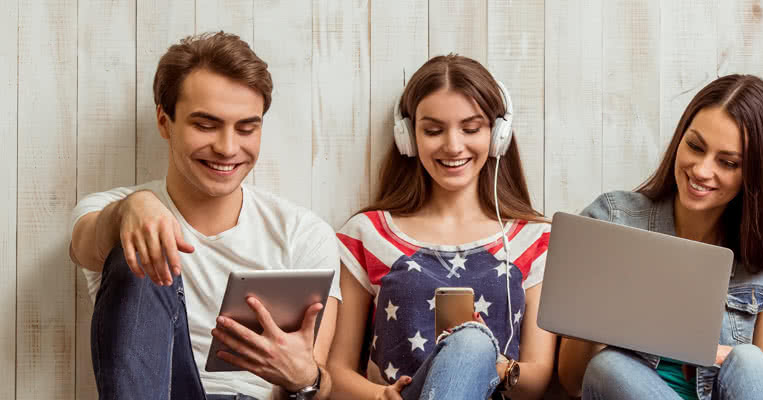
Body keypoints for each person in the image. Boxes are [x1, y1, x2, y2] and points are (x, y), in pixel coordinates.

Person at [69, 32, 341, 399]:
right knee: (142, 243)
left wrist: (304, 378)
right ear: (165, 123)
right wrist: (130, 209)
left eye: (247, 128)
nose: (228, 148)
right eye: (206, 125)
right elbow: (87, 243)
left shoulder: (303, 233)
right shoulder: (111, 211)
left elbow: (316, 385)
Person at [325, 54, 556, 400]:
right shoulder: (366, 234)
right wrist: (379, 396)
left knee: (472, 341)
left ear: (498, 135)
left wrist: (491, 361)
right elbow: (334, 371)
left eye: (471, 128)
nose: (452, 145)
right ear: (408, 137)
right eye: (433, 130)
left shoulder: (533, 239)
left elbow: (537, 380)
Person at [557, 74, 763, 400]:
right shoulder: (613, 219)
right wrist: (597, 305)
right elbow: (574, 382)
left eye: (727, 162)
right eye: (695, 146)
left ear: (755, 175)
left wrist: (711, 354)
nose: (701, 170)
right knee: (610, 366)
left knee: (750, 360)